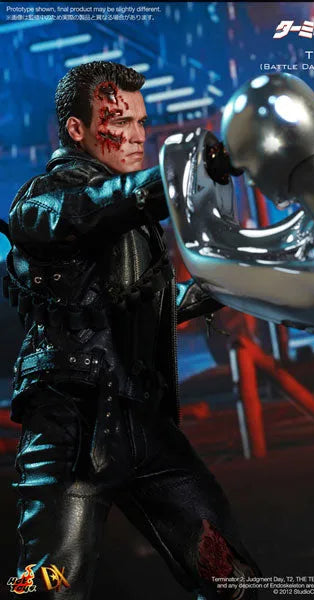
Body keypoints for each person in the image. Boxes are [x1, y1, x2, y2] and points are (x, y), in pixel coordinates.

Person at [5, 61, 260, 599]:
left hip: (142, 422)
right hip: (70, 430)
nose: (138, 135)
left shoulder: (128, 213)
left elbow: (138, 303)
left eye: (141, 122)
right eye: (119, 122)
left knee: (232, 579)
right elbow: (92, 210)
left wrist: (231, 284)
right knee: (51, 589)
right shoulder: (43, 203)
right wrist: (180, 173)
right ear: (77, 130)